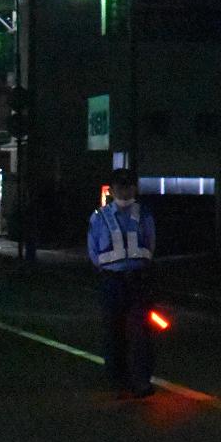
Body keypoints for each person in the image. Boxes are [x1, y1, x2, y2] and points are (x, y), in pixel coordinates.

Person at [87, 168, 156, 400]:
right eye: (120, 185)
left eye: (128, 185)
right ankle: (117, 380)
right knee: (113, 332)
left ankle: (141, 381)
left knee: (141, 333)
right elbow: (93, 250)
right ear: (113, 188)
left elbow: (150, 243)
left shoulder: (144, 214)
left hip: (137, 280)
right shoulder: (100, 216)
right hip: (112, 280)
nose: (124, 190)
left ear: (134, 188)